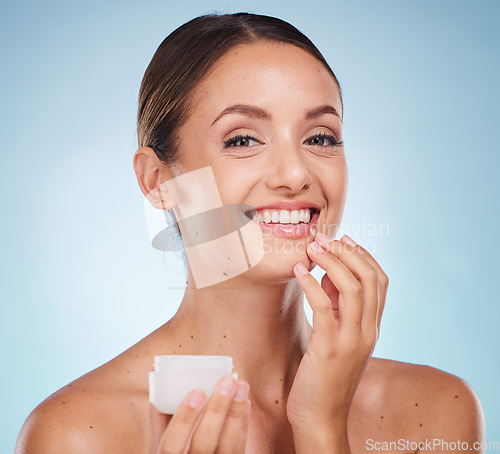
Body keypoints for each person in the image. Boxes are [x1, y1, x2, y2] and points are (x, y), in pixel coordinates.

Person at [16, 12, 484, 454]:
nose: (295, 174)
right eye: (242, 139)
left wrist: (321, 428)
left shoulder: (436, 412)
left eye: (320, 137)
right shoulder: (79, 433)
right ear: (158, 182)